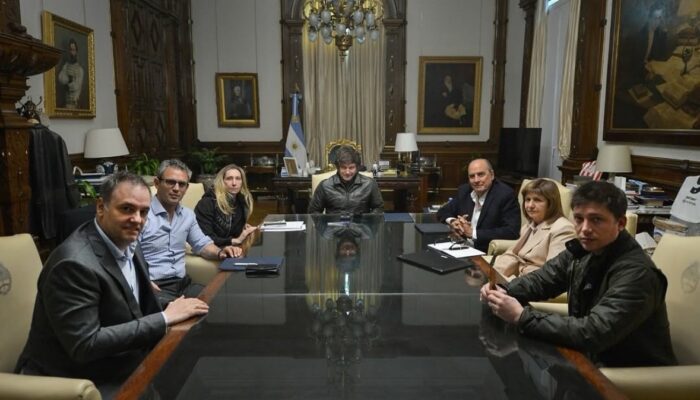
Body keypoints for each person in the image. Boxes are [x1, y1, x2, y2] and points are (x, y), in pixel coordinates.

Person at [15, 172, 209, 394]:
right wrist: (165, 318)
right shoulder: (73, 264)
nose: (137, 219)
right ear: (101, 207)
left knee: (197, 376)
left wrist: (176, 306)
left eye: (144, 212)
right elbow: (86, 344)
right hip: (77, 379)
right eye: (126, 209)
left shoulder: (126, 239)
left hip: (123, 358)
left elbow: (129, 301)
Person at [481, 181, 677, 367]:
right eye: (579, 219)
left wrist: (522, 316)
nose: (585, 229)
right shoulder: (584, 249)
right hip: (589, 358)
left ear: (620, 223)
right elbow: (543, 279)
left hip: (625, 373)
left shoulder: (637, 273)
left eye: (596, 220)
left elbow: (594, 333)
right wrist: (503, 289)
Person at [139, 159, 241, 308]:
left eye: (182, 184)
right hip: (154, 287)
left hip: (183, 284)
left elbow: (202, 245)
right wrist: (141, 281)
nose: (176, 188)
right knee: (190, 314)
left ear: (186, 188)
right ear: (156, 183)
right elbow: (126, 257)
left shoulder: (187, 215)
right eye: (170, 182)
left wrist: (221, 252)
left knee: (224, 303)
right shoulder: (140, 216)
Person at [493, 179, 576, 280]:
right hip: (515, 278)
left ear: (551, 203)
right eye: (528, 200)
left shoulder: (563, 229)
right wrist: (491, 275)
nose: (530, 205)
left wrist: (509, 283)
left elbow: (552, 274)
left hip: (533, 284)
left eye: (537, 200)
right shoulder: (529, 225)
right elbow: (513, 253)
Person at [436, 158, 520, 252]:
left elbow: (511, 231)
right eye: (472, 176)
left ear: (492, 175)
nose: (476, 180)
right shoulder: (465, 190)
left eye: (481, 174)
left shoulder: (505, 195)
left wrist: (473, 233)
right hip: (460, 245)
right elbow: (443, 211)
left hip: (484, 251)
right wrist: (453, 221)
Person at [195, 164, 258, 246]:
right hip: (210, 248)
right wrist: (235, 240)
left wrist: (243, 229)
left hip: (230, 246)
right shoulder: (207, 203)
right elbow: (205, 237)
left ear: (242, 182)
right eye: (229, 179)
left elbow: (233, 231)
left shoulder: (241, 201)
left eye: (238, 178)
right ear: (221, 181)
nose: (234, 183)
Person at [308, 145, 383, 214]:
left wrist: (368, 221)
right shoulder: (325, 186)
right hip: (334, 224)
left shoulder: (370, 184)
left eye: (351, 167)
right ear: (338, 167)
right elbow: (313, 211)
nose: (347, 172)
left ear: (357, 167)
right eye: (343, 167)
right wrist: (324, 223)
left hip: (361, 224)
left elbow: (378, 208)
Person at [57, 38, 84, 109]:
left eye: (73, 50)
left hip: (75, 103)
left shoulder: (80, 69)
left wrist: (68, 84)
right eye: (70, 50)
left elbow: (76, 86)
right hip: (66, 103)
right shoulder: (66, 66)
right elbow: (61, 78)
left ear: (76, 51)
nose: (71, 52)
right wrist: (69, 79)